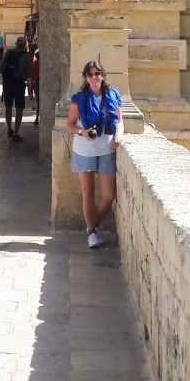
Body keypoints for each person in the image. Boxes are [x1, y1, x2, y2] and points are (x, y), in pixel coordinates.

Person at [65, 61, 124, 250]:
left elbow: (120, 122)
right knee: (87, 192)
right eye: (90, 74)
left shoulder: (113, 96)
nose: (94, 77)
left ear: (103, 75)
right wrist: (82, 132)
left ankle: (92, 227)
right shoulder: (79, 98)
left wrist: (119, 134)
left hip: (107, 147)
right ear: (85, 78)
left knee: (109, 195)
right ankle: (92, 233)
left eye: (97, 73)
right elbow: (70, 124)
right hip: (84, 148)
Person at [0, 36, 33, 142]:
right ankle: (16, 133)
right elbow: (30, 73)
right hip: (19, 84)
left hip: (8, 84)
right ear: (24, 45)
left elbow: (1, 69)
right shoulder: (26, 56)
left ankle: (9, 128)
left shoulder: (8, 53)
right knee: (19, 108)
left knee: (8, 106)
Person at [32, 46, 40, 126]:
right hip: (41, 82)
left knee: (37, 101)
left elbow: (32, 75)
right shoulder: (44, 64)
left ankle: (37, 117)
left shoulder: (35, 63)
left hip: (36, 82)